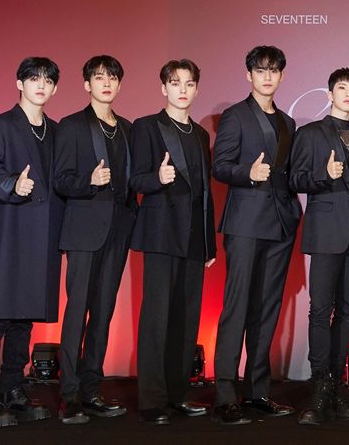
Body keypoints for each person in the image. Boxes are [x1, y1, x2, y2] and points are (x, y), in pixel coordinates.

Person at [0, 57, 63, 429]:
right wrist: (13, 184)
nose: (40, 85)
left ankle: (13, 390)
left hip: (45, 234)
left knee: (25, 316)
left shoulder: (56, 131)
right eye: (33, 78)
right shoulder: (0, 124)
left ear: (54, 88)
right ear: (19, 83)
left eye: (47, 80)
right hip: (12, 228)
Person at [290, 67, 349, 425]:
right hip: (327, 234)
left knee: (347, 313)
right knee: (320, 311)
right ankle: (319, 389)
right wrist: (323, 175)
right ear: (330, 94)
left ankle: (336, 387)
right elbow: (294, 179)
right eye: (342, 88)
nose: (348, 94)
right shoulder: (310, 134)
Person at [212, 46, 301, 425]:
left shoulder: (288, 123)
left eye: (273, 71)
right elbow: (220, 166)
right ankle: (225, 395)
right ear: (249, 75)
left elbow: (291, 173)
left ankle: (258, 391)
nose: (267, 77)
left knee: (267, 309)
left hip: (280, 225)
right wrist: (247, 172)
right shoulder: (235, 116)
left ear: (282, 76)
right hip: (246, 224)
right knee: (237, 308)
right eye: (260, 70)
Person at [130, 59, 216, 426]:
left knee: (186, 319)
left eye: (189, 83)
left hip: (194, 238)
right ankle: (152, 399)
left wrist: (209, 243)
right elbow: (134, 179)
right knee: (157, 318)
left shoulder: (200, 135)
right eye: (175, 82)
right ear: (163, 88)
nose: (182, 89)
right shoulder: (147, 127)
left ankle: (178, 394)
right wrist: (157, 177)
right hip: (161, 234)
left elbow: (205, 194)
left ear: (196, 89)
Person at [53, 55, 135, 424]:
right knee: (77, 313)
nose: (106, 83)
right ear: (87, 84)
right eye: (99, 77)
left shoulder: (129, 129)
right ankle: (69, 395)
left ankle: (91, 390)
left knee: (103, 313)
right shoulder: (72, 126)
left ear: (119, 84)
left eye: (112, 78)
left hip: (118, 231)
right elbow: (60, 180)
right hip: (84, 231)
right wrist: (89, 181)